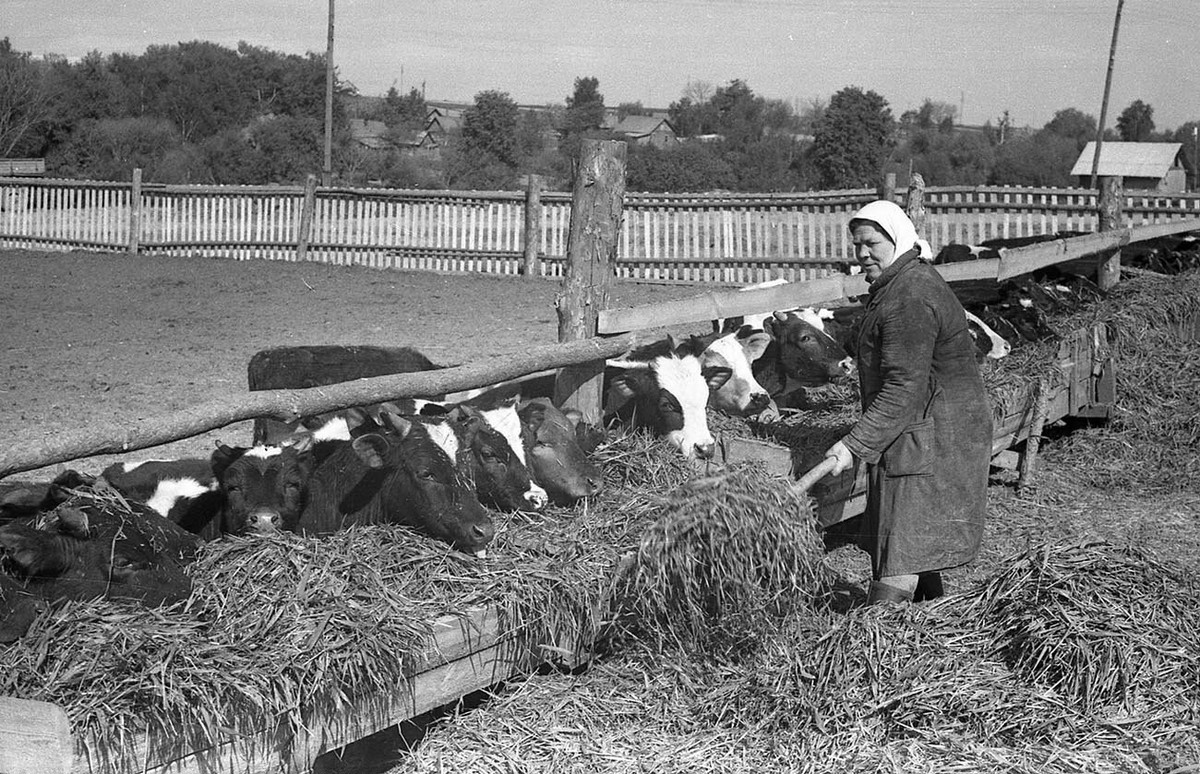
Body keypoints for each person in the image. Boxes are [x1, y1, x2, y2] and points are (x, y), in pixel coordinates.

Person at [823, 200, 991, 605]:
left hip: (934, 435)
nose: (862, 254)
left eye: (871, 243)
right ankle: (929, 624)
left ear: (896, 239)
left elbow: (903, 386)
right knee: (914, 531)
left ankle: (876, 643)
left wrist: (853, 445)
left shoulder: (909, 297)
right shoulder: (901, 284)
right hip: (928, 427)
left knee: (902, 541)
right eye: (856, 245)